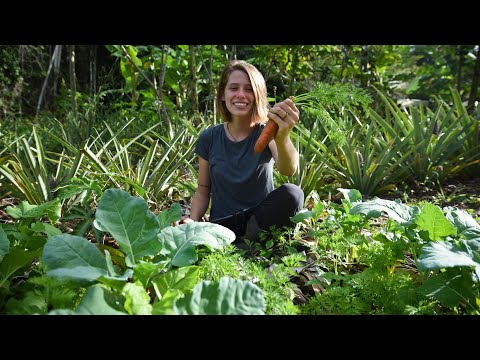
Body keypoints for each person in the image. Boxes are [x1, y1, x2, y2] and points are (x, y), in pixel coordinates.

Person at [175, 59, 304, 248]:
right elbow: (203, 188)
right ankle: (239, 243)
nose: (241, 95)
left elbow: (289, 169)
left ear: (258, 95)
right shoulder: (209, 137)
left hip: (258, 220)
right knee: (219, 230)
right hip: (222, 224)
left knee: (293, 194)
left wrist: (283, 136)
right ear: (222, 94)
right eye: (233, 88)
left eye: (249, 89)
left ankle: (246, 241)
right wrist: (192, 223)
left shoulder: (267, 133)